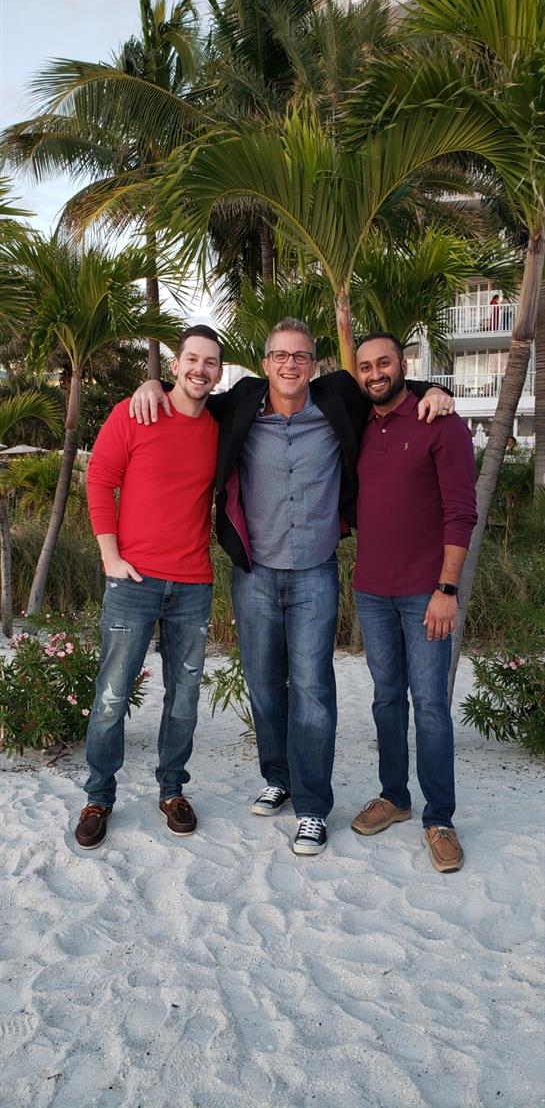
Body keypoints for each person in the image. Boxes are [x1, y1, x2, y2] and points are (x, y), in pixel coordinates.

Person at [130, 320, 453, 856]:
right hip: (254, 574)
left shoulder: (336, 400)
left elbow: (388, 389)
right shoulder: (239, 404)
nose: (289, 365)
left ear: (315, 363)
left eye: (300, 356)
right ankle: (277, 777)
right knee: (263, 686)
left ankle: (311, 807)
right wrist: (152, 386)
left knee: (313, 692)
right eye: (279, 355)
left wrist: (433, 391)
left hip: (315, 574)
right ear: (264, 362)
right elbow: (190, 393)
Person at [74, 326, 223, 850]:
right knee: (112, 694)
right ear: (176, 364)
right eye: (192, 359)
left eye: (210, 362)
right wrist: (110, 556)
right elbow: (99, 479)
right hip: (132, 581)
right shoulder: (136, 411)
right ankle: (98, 796)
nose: (200, 369)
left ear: (219, 373)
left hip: (192, 585)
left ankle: (172, 790)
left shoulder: (220, 424)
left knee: (183, 699)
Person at [350, 333, 477, 873]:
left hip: (427, 595)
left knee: (429, 706)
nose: (375, 373)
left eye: (384, 363)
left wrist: (447, 590)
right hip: (371, 591)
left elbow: (460, 514)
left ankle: (439, 818)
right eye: (365, 366)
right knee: (385, 700)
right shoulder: (357, 422)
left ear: (404, 365)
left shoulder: (440, 424)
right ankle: (395, 797)